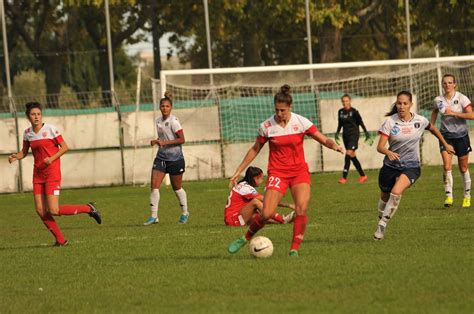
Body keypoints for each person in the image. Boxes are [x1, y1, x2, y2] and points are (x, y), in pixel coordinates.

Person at [227, 84, 344, 256]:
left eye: (282, 110)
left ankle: (294, 250)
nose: (279, 113)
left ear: (290, 107)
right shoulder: (267, 126)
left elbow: (321, 138)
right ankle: (245, 238)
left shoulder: (301, 122)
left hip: (299, 172)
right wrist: (239, 170)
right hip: (278, 173)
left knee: (301, 208)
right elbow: (255, 148)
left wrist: (334, 145)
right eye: (277, 110)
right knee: (266, 213)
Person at [8, 102, 101, 246]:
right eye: (33, 114)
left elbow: (65, 147)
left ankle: (89, 208)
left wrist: (51, 159)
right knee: (40, 210)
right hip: (38, 175)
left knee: (53, 210)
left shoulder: (51, 129)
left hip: (52, 173)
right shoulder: (28, 133)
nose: (36, 117)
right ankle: (61, 240)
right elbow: (24, 152)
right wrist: (15, 156)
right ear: (28, 116)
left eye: (38, 114)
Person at [373, 91, 455, 240]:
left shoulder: (420, 120)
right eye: (399, 103)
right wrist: (388, 151)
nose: (401, 106)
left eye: (405, 103)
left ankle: (382, 225)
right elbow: (380, 147)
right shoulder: (390, 122)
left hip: (411, 166)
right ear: (396, 104)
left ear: (411, 104)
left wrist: (445, 144)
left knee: (396, 192)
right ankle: (381, 216)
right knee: (384, 196)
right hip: (390, 166)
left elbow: (433, 128)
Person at [144, 91, 189, 225]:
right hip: (161, 157)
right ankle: (154, 216)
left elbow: (182, 139)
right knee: (154, 186)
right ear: (159, 107)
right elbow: (164, 138)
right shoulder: (158, 121)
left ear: (171, 108)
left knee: (177, 188)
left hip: (175, 159)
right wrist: (156, 141)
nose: (164, 108)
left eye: (167, 106)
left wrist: (165, 143)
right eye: (162, 106)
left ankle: (185, 212)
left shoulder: (174, 121)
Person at [431, 74, 473, 208]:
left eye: (450, 83)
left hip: (461, 137)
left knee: (463, 168)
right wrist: (431, 125)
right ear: (442, 85)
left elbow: (471, 115)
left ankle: (467, 196)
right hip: (446, 137)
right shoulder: (438, 100)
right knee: (446, 166)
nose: (447, 85)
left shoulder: (462, 98)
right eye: (445, 83)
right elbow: (434, 111)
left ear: (454, 84)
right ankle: (448, 197)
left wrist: (453, 113)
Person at [224, 166, 296, 226]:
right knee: (256, 202)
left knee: (258, 215)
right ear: (255, 178)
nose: (262, 180)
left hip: (236, 217)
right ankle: (283, 220)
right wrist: (289, 205)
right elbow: (267, 200)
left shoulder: (243, 184)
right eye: (261, 178)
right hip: (233, 220)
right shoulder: (247, 188)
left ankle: (283, 221)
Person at [335, 94, 373, 184]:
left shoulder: (354, 111)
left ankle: (344, 177)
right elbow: (340, 123)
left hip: (354, 135)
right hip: (345, 136)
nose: (345, 103)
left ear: (350, 101)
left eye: (346, 101)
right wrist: (337, 133)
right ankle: (363, 175)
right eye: (343, 101)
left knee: (348, 153)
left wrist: (366, 133)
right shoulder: (340, 112)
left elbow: (360, 122)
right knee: (352, 156)